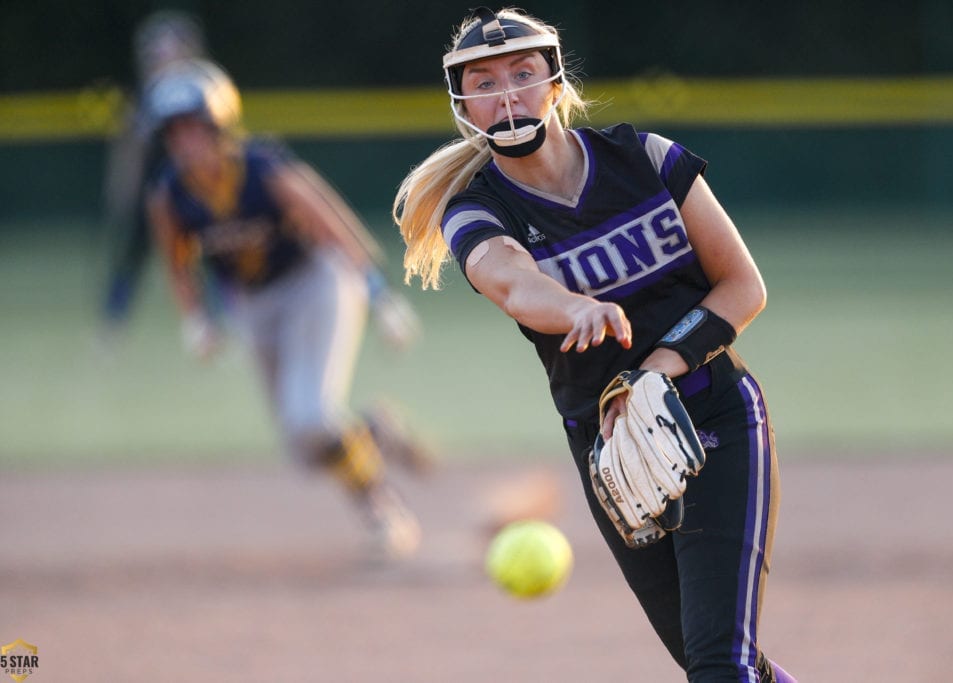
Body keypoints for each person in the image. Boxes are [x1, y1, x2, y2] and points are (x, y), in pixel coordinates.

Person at [394, 7, 796, 681]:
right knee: (729, 661)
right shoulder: (477, 208)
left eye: (522, 74)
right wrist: (574, 305)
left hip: (715, 415)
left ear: (555, 82)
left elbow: (742, 286)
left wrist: (659, 368)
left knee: (718, 665)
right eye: (485, 82)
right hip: (610, 447)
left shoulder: (645, 159)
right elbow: (514, 284)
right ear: (464, 103)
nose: (507, 94)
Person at [145, 57, 428, 560]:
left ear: (218, 124)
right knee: (304, 449)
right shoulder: (170, 195)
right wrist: (195, 319)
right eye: (174, 132)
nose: (184, 141)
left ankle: (386, 516)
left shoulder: (261, 167)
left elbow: (331, 222)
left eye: (193, 127)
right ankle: (375, 430)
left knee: (312, 418)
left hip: (316, 284)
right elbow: (178, 262)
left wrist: (380, 296)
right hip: (254, 305)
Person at [98, 11, 210, 341]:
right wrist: (122, 190)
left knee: (217, 252)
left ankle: (220, 322)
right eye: (157, 52)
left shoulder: (204, 88)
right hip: (155, 193)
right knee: (131, 257)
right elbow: (130, 150)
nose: (162, 58)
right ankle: (111, 326)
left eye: (169, 49)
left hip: (197, 189)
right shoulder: (145, 98)